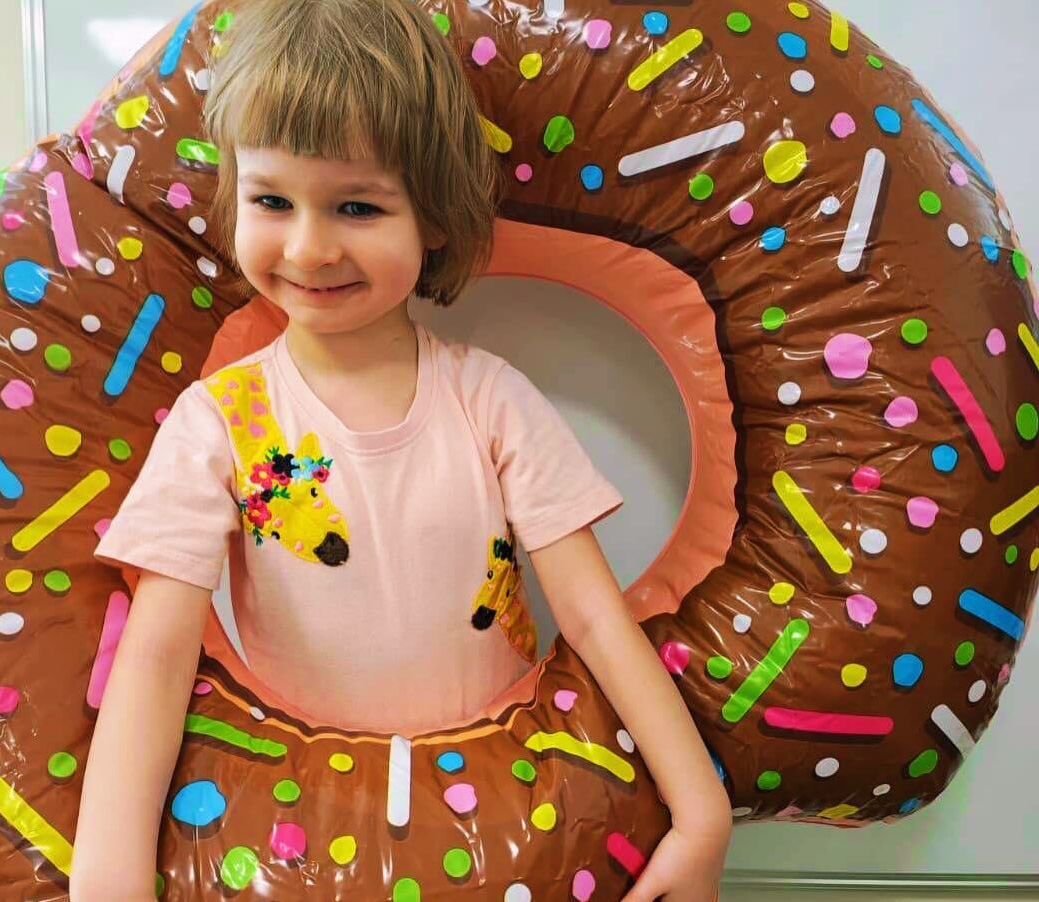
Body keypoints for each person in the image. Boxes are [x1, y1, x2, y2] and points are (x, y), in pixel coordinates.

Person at [70, 0, 731, 898]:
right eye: (271, 200)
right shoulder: (218, 421)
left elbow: (594, 618)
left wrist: (701, 814)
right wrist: (109, 882)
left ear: (433, 217)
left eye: (356, 205)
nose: (309, 247)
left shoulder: (491, 400)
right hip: (299, 838)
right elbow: (156, 656)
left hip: (499, 825)